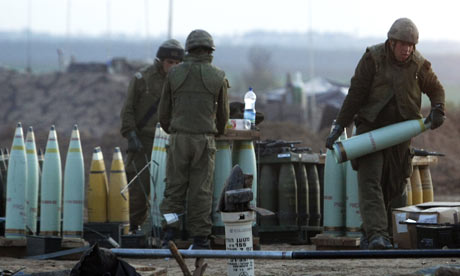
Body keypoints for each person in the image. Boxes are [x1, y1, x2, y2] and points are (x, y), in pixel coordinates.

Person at [325, 18, 445, 249]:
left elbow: (436, 88)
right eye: (403, 45)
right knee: (371, 181)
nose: (407, 50)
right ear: (391, 43)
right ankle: (378, 235)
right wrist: (341, 126)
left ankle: (385, 234)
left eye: (411, 45)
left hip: (400, 133)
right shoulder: (373, 58)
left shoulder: (418, 64)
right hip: (371, 130)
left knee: (396, 183)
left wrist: (438, 108)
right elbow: (356, 94)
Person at [158, 29, 230, 249]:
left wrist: (175, 130)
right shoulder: (218, 76)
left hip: (179, 139)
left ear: (188, 49)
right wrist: (213, 132)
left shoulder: (174, 74)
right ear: (210, 50)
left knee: (174, 188)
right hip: (204, 140)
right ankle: (200, 239)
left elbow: (163, 112)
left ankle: (169, 234)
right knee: (202, 191)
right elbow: (224, 116)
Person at [120, 39, 184, 234]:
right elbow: (128, 109)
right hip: (145, 141)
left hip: (171, 140)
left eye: (176, 64)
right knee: (139, 191)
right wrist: (131, 134)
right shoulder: (143, 78)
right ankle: (131, 230)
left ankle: (167, 230)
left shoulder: (183, 80)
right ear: (160, 61)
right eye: (169, 63)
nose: (172, 67)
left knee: (170, 190)